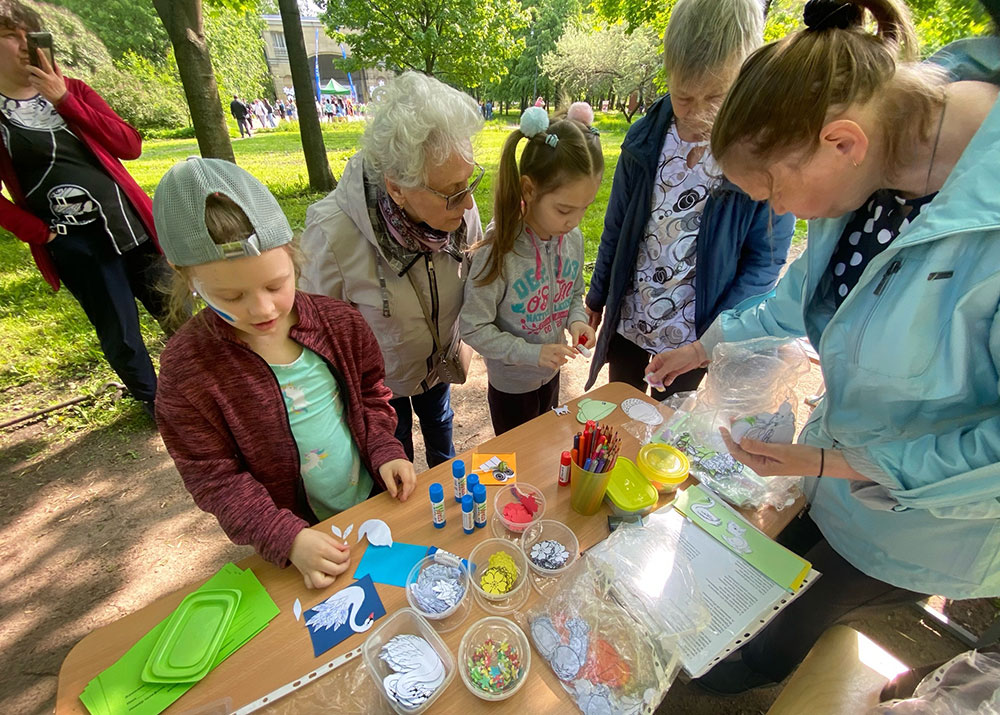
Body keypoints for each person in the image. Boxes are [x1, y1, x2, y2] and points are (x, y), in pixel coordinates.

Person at [646, 0, 1000, 693]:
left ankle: (738, 678)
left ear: (842, 142)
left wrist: (834, 461)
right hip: (830, 473)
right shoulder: (879, 160)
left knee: (793, 628)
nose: (777, 210)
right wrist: (705, 347)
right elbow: (803, 294)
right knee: (767, 572)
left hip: (921, 524)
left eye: (776, 189)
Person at [153, 157, 417, 590]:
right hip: (297, 532)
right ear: (189, 280)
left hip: (371, 500)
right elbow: (212, 476)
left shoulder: (340, 324)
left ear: (293, 256)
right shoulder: (188, 372)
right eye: (231, 296)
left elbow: (370, 393)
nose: (262, 309)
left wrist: (385, 449)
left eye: (275, 285)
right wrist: (285, 537)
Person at [584, 0, 793, 400]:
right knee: (619, 413)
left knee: (670, 426)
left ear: (743, 78)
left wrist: (714, 338)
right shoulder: (643, 140)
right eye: (683, 98)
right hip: (632, 321)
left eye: (714, 97)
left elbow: (764, 262)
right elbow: (616, 225)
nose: (697, 114)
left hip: (694, 337)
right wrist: (597, 295)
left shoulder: (760, 157)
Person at [301, 71, 484, 467]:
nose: (469, 204)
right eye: (452, 192)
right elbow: (318, 341)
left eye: (469, 182)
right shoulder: (331, 233)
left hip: (439, 367)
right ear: (397, 188)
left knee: (440, 424)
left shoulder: (458, 210)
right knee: (395, 446)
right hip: (381, 387)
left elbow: (477, 282)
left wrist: (467, 344)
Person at [0, 0, 173, 418]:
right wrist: (39, 233)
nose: (24, 45)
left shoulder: (74, 90)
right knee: (120, 330)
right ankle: (156, 403)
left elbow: (129, 145)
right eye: (9, 36)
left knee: (174, 307)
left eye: (30, 35)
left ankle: (209, 378)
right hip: (77, 243)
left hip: (130, 223)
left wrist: (64, 99)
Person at [461, 108, 601, 435]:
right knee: (520, 457)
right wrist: (532, 353)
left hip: (550, 373)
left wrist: (576, 321)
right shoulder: (498, 250)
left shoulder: (572, 239)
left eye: (585, 208)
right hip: (512, 386)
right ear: (528, 189)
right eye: (564, 209)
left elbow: (573, 294)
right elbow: (473, 326)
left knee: (546, 446)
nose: (574, 221)